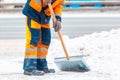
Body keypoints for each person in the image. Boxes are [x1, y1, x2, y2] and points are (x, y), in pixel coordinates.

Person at [22, 0, 65, 76]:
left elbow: (59, 5)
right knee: (34, 40)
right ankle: (29, 67)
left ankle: (41, 66)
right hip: (33, 13)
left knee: (45, 40)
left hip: (44, 16)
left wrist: (57, 19)